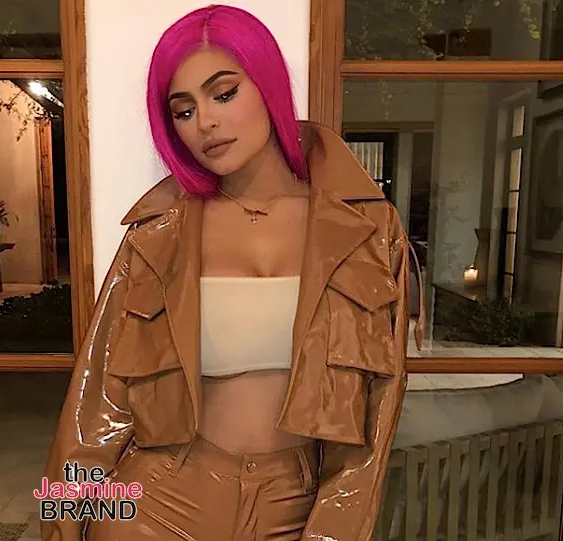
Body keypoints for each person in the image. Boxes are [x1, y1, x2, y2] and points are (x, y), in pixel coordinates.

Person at [41, 4, 422, 541]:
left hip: (294, 503)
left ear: (267, 85)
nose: (205, 123)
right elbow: (98, 402)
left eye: (223, 94)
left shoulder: (365, 228)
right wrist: (62, 520)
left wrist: (333, 530)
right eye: (183, 110)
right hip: (154, 503)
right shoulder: (157, 235)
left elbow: (378, 405)